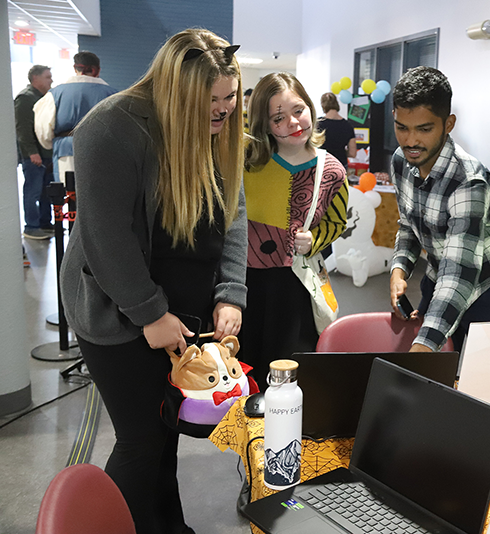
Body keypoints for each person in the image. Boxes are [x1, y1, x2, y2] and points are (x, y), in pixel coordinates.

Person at [60, 29, 246, 533]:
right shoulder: (110, 128)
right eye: (211, 101)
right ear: (175, 91)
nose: (224, 111)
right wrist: (148, 312)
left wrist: (231, 292)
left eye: (231, 98)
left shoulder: (217, 128)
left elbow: (232, 214)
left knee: (164, 433)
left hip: (176, 311)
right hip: (117, 311)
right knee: (141, 440)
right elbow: (105, 237)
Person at [388, 66, 490, 353]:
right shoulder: (401, 160)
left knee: (478, 375)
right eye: (402, 127)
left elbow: (459, 276)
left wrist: (423, 347)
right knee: (433, 365)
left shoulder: (469, 180)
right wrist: (399, 269)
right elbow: (408, 223)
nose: (411, 141)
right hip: (441, 267)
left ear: (448, 123)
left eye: (424, 129)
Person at [240, 72, 348, 391]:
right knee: (245, 376)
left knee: (290, 379)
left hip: (296, 288)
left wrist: (315, 240)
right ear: (264, 122)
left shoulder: (332, 171)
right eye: (278, 117)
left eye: (298, 110)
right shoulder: (247, 162)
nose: (293, 122)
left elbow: (336, 222)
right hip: (246, 285)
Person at [34, 51, 117, 183]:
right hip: (104, 150)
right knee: (102, 196)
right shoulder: (114, 95)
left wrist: (55, 143)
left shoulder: (55, 94)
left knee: (70, 195)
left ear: (75, 68)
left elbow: (43, 129)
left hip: (67, 151)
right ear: (98, 70)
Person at [15, 65, 54, 240]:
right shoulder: (25, 98)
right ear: (35, 78)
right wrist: (32, 153)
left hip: (45, 154)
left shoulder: (43, 98)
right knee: (33, 191)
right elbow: (22, 129)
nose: (51, 80)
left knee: (47, 191)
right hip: (34, 156)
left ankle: (45, 223)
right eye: (48, 77)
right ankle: (31, 226)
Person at [317, 92, 356, 169]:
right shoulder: (348, 125)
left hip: (323, 164)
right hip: (340, 165)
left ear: (323, 106)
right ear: (337, 104)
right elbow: (353, 153)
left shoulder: (318, 124)